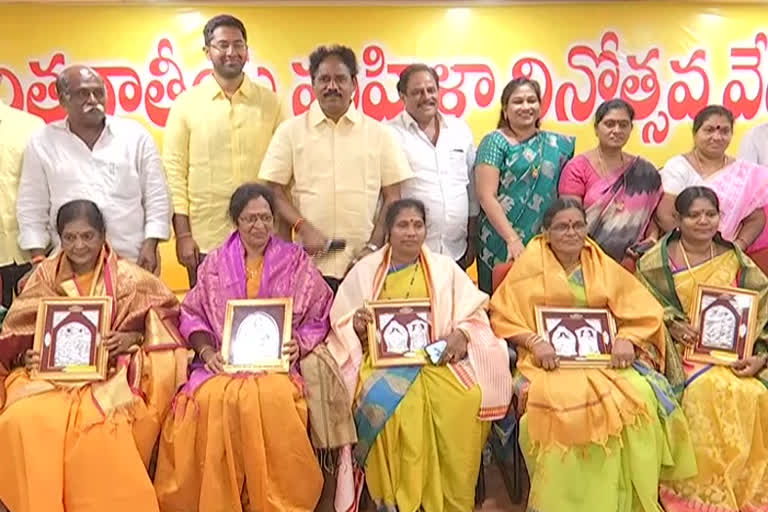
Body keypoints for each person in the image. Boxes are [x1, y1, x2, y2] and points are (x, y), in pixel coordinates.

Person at [489, 198, 696, 512]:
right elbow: (502, 315)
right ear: (545, 233)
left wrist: (627, 338)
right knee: (557, 407)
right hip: (547, 362)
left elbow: (641, 309)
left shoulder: (600, 264)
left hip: (605, 360)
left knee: (640, 396)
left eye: (578, 225)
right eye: (561, 226)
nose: (571, 233)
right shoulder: (529, 266)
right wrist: (533, 341)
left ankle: (622, 498)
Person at [154, 183, 337, 512]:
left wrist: (300, 343)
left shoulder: (294, 260)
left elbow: (321, 312)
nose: (259, 226)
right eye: (250, 219)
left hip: (276, 365)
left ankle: (275, 500)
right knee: (209, 400)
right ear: (236, 222)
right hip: (224, 364)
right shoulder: (214, 265)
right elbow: (192, 315)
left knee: (272, 398)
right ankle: (222, 499)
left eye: (266, 218)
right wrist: (207, 353)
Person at [0, 200, 186, 512]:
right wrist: (27, 358)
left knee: (99, 426)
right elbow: (13, 336)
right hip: (47, 378)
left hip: (110, 375)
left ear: (102, 236)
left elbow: (167, 318)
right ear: (60, 238)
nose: (79, 245)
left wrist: (131, 339)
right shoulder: (44, 277)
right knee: (20, 419)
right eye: (70, 237)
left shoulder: (130, 278)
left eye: (87, 236)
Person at [326, 198, 512, 512]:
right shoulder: (366, 271)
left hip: (437, 358)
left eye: (417, 225)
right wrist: (358, 325)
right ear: (388, 230)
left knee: (466, 398)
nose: (411, 232)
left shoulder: (444, 269)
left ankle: (450, 497)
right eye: (402, 225)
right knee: (396, 409)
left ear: (426, 230)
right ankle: (398, 500)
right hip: (383, 361)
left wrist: (461, 334)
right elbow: (341, 320)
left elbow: (475, 311)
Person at [636, 186, 768, 512]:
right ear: (677, 220)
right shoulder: (655, 264)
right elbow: (640, 308)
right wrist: (671, 324)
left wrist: (759, 355)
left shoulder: (737, 261)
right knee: (706, 390)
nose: (703, 221)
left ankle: (743, 487)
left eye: (710, 214)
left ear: (720, 218)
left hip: (735, 354)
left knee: (754, 393)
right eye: (694, 215)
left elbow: (762, 311)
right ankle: (700, 495)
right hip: (676, 354)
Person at [259, 45, 412, 293]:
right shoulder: (290, 132)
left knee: (362, 330)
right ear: (313, 84)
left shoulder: (380, 134)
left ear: (354, 84)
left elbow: (393, 196)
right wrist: (303, 228)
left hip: (363, 263)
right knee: (311, 331)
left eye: (340, 79)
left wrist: (373, 247)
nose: (332, 86)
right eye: (324, 79)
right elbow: (272, 190)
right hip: (308, 264)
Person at [164, 14, 284, 287]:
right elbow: (174, 174)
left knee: (262, 317)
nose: (231, 52)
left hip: (262, 237)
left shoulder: (271, 103)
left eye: (238, 44)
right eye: (222, 45)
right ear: (208, 52)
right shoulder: (186, 105)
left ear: (247, 50)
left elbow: (284, 174)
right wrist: (183, 236)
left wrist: (283, 232)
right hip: (207, 239)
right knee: (208, 319)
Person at [16, 65, 171, 274]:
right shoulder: (42, 142)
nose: (93, 100)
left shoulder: (135, 136)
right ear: (63, 100)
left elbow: (157, 197)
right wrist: (38, 259)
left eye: (98, 92)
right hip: (69, 267)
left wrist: (151, 244)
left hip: (131, 261)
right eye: (83, 93)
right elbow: (31, 207)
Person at [474, 77, 575, 293]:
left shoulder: (557, 145)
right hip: (499, 239)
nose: (526, 107)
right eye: (518, 102)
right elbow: (485, 196)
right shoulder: (494, 142)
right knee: (499, 301)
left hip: (543, 239)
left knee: (538, 300)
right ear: (505, 109)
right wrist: (512, 239)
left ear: (540, 107)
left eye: (532, 101)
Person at [655, 105, 768, 271]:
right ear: (695, 133)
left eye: (724, 131)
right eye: (709, 130)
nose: (717, 137)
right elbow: (665, 214)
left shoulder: (744, 172)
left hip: (726, 261)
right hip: (682, 259)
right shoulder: (679, 166)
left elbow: (756, 218)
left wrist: (737, 246)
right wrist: (694, 248)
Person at [388, 63, 478, 269]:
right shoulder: (390, 134)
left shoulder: (459, 129)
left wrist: (472, 237)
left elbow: (471, 188)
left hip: (456, 251)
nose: (426, 96)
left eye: (431, 90)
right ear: (403, 97)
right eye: (417, 92)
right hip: (409, 253)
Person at [559, 98, 661, 267]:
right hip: (584, 261)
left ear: (630, 129)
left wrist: (651, 239)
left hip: (632, 263)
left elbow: (652, 217)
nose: (617, 130)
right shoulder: (577, 168)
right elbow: (569, 219)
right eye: (609, 124)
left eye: (623, 125)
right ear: (596, 129)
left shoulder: (645, 171)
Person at [0, 92, 44, 308]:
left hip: (25, 254)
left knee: (25, 334)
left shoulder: (30, 127)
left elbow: (44, 189)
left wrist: (41, 257)